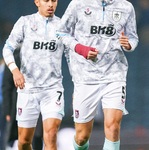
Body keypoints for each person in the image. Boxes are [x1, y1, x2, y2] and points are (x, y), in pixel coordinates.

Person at [56, 0, 139, 150]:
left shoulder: (126, 6)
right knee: (82, 137)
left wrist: (128, 44)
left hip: (115, 73)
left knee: (113, 128)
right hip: (85, 75)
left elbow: (133, 37)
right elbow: (61, 32)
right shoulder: (78, 4)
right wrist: (81, 48)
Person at [2, 0, 66, 149]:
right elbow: (7, 48)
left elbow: (72, 57)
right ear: (37, 2)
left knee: (50, 136)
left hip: (52, 90)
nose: (51, 4)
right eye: (46, 0)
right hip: (27, 90)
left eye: (54, 0)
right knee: (23, 142)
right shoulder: (25, 22)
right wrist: (15, 70)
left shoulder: (63, 26)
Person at [2, 47, 43, 150]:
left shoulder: (42, 56)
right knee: (21, 137)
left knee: (38, 136)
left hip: (39, 103)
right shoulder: (14, 59)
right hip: (19, 104)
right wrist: (7, 110)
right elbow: (7, 86)